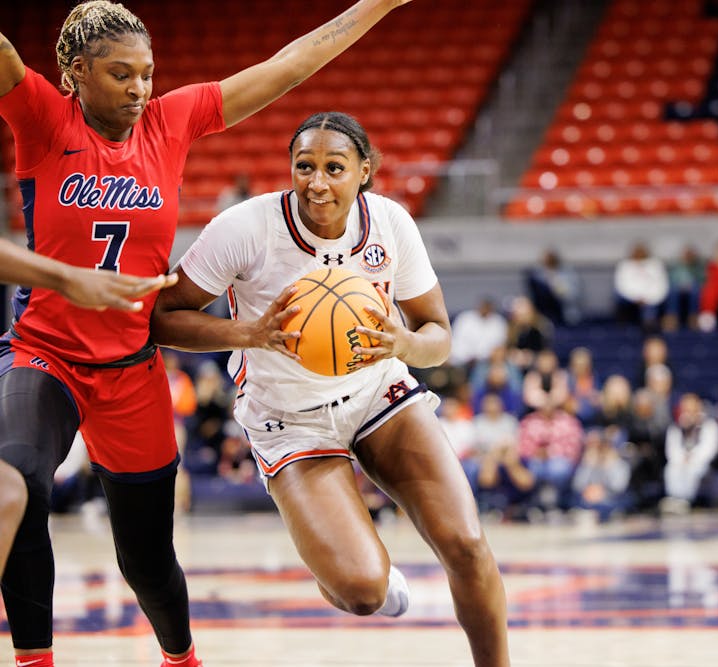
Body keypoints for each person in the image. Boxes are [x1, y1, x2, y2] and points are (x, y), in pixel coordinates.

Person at [0, 2, 416, 665]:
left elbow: (286, 68)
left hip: (132, 365)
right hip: (45, 352)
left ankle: (182, 658)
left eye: (147, 73)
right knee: (17, 482)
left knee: (147, 559)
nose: (139, 89)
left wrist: (375, 5)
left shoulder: (171, 119)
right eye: (120, 74)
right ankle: (34, 658)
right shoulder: (44, 117)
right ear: (75, 73)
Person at [150, 111, 510, 667]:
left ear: (365, 171)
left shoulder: (390, 223)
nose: (317, 182)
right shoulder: (246, 228)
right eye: (305, 166)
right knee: (362, 591)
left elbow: (439, 337)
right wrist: (251, 332)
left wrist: (402, 346)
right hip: (289, 418)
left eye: (334, 168)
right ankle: (341, 561)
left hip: (378, 394)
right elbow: (161, 318)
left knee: (465, 544)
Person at [661, 393, 718, 514]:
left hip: (701, 463)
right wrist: (682, 458)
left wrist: (692, 457)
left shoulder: (708, 425)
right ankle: (674, 498)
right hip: (680, 461)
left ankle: (685, 500)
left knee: (693, 469)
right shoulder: (676, 426)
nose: (688, 412)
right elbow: (671, 450)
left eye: (691, 408)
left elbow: (710, 449)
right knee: (671, 468)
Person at [613, 241, 668, 332]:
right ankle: (622, 326)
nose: (639, 253)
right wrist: (635, 297)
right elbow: (621, 285)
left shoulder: (654, 264)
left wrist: (647, 298)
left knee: (650, 309)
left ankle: (649, 328)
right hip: (630, 296)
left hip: (650, 297)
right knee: (616, 294)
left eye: (641, 251)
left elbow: (660, 286)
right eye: (637, 251)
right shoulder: (625, 265)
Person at [526, 248, 583, 326]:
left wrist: (555, 284)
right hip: (545, 315)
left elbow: (571, 297)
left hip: (566, 315)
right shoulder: (538, 275)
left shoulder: (568, 274)